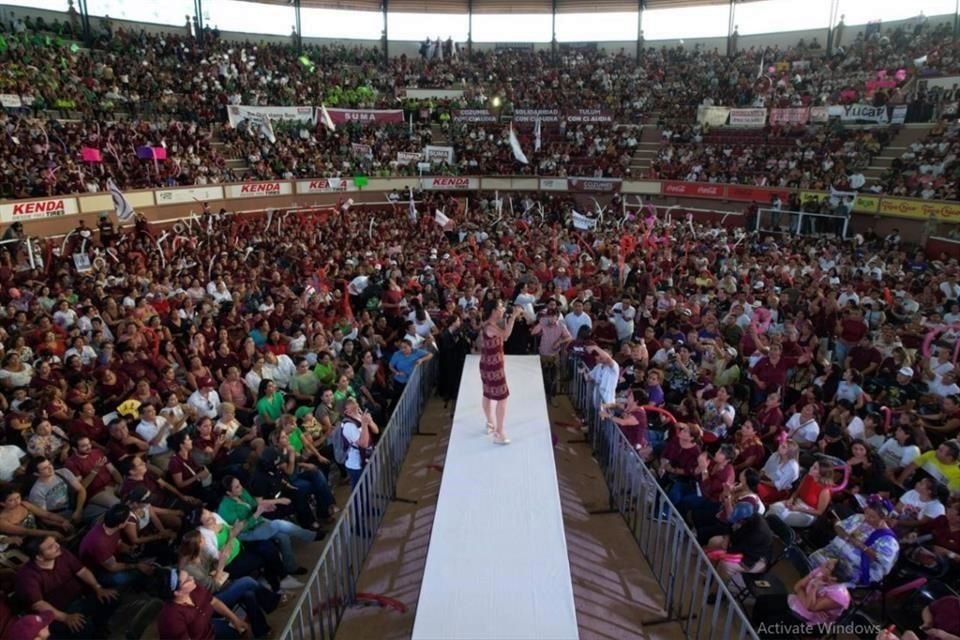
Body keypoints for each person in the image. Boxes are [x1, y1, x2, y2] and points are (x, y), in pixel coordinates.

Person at [810, 495, 900, 586]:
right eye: (866, 513)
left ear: (883, 518)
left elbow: (881, 560)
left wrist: (861, 545)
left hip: (855, 567)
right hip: (835, 553)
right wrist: (847, 537)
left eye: (873, 517)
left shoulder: (889, 540)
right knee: (814, 559)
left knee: (828, 576)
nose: (867, 518)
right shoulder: (859, 518)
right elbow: (838, 527)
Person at [157, 567, 249, 640]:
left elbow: (214, 601)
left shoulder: (194, 588)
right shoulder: (171, 618)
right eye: (187, 580)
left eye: (189, 575)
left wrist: (234, 619)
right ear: (177, 593)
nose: (192, 578)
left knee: (242, 631)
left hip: (209, 628)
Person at [479, 299, 523, 444]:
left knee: (487, 394)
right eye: (500, 307)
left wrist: (509, 318)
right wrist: (514, 317)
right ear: (493, 310)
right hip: (494, 366)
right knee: (502, 398)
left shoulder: (489, 324)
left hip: (487, 364)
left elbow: (505, 335)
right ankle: (499, 432)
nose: (503, 308)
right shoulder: (490, 327)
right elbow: (505, 335)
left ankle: (490, 423)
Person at [787, 558, 852, 625]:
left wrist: (813, 588)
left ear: (833, 578)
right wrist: (807, 602)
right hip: (795, 602)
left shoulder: (839, 596)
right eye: (827, 562)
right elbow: (797, 587)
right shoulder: (820, 572)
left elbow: (809, 606)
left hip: (810, 621)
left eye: (827, 566)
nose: (823, 564)